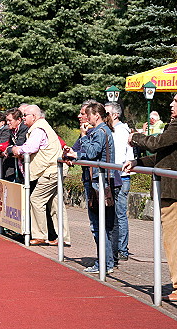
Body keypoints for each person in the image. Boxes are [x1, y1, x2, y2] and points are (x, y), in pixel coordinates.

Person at [123, 88, 177, 302]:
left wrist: (135, 137)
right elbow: (165, 156)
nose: (171, 104)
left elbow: (157, 143)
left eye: (175, 100)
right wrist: (137, 163)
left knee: (176, 240)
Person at [64, 102, 120, 273]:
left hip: (98, 181)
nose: (85, 119)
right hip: (98, 179)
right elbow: (88, 153)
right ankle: (106, 262)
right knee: (102, 224)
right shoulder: (102, 131)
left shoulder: (99, 131)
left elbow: (92, 152)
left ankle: (105, 263)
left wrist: (83, 135)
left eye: (87, 115)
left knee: (98, 225)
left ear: (96, 115)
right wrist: (75, 154)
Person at [12, 105, 70, 246]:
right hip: (54, 169)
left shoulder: (38, 129)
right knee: (56, 204)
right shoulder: (43, 126)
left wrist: (16, 149)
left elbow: (30, 147)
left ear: (35, 116)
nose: (23, 117)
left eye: (26, 115)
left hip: (50, 170)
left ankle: (40, 235)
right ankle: (63, 237)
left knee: (36, 200)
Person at [105, 102, 134, 262]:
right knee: (114, 214)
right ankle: (116, 248)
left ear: (115, 115)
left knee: (120, 214)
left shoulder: (121, 131)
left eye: (107, 112)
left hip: (121, 176)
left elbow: (119, 155)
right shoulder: (112, 130)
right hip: (114, 174)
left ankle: (122, 249)